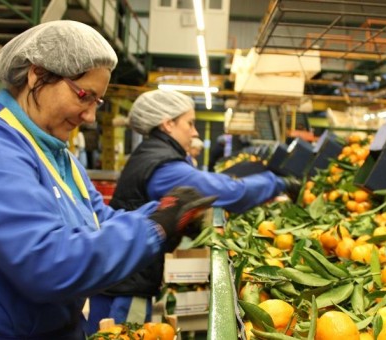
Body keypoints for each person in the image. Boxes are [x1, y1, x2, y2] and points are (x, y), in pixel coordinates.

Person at [0, 21, 214, 340]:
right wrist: (156, 227)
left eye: (98, 102)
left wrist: (164, 212)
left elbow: (100, 222)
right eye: (84, 96)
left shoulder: (56, 155)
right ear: (37, 75)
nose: (91, 117)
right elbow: (47, 263)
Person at [85, 89, 301, 332]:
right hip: (127, 284)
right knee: (119, 333)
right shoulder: (165, 167)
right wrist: (278, 182)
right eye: (190, 123)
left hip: (121, 275)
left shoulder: (153, 154)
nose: (195, 132)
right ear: (168, 124)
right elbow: (229, 192)